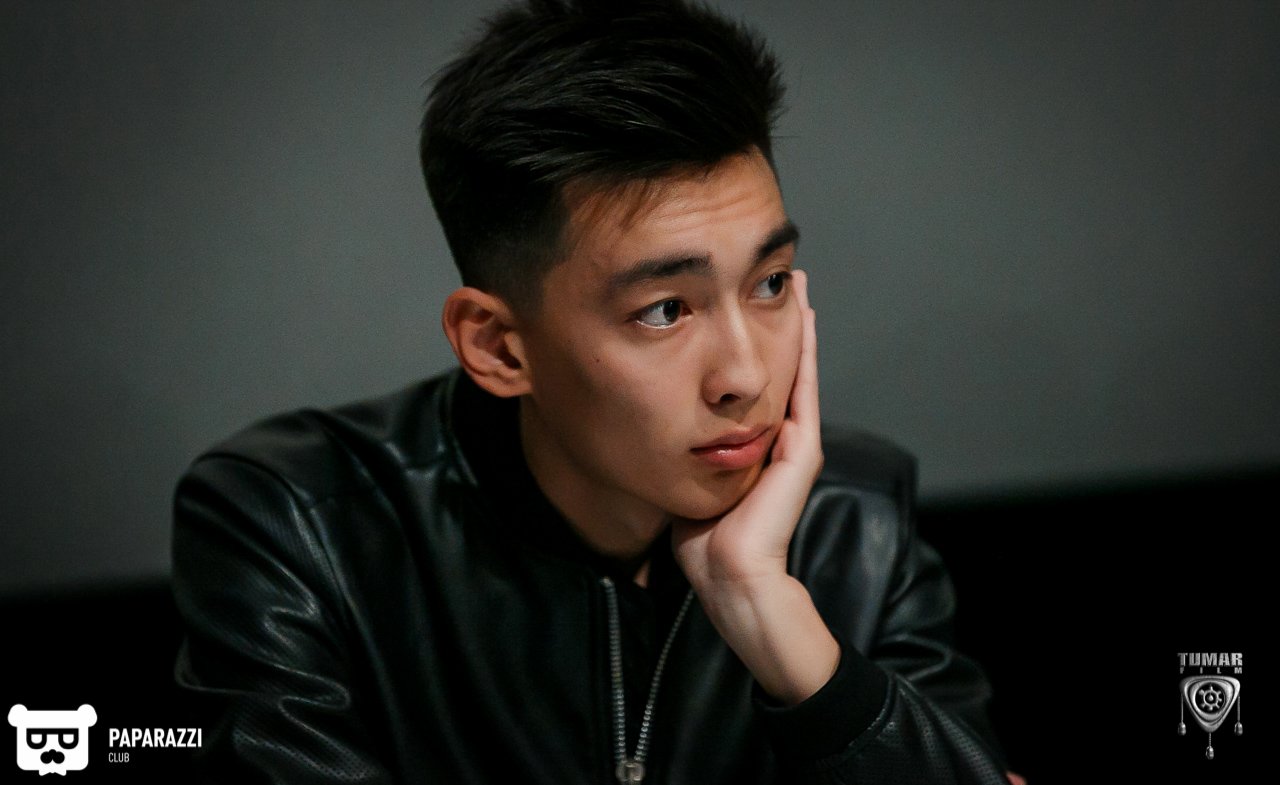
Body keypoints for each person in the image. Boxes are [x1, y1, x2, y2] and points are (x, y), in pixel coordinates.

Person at [171, 1, 1018, 782]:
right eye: (665, 309)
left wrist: (774, 623)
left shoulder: (855, 520)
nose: (747, 377)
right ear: (498, 346)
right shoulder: (299, 524)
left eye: (769, 283)